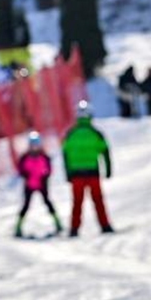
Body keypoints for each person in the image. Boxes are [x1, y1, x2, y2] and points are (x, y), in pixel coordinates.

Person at [61, 101, 114, 236]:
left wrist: (68, 173)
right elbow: (105, 151)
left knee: (77, 202)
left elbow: (65, 155)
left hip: (76, 174)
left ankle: (74, 229)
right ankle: (105, 225)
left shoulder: (70, 134)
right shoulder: (95, 133)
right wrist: (108, 170)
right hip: (93, 172)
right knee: (98, 200)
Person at [14, 131, 62, 237]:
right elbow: (20, 170)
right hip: (29, 185)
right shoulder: (25, 157)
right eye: (33, 144)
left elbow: (49, 170)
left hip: (41, 184)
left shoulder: (44, 156)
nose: (35, 147)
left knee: (48, 202)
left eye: (36, 144)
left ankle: (58, 223)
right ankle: (18, 226)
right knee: (26, 205)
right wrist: (26, 176)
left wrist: (45, 177)